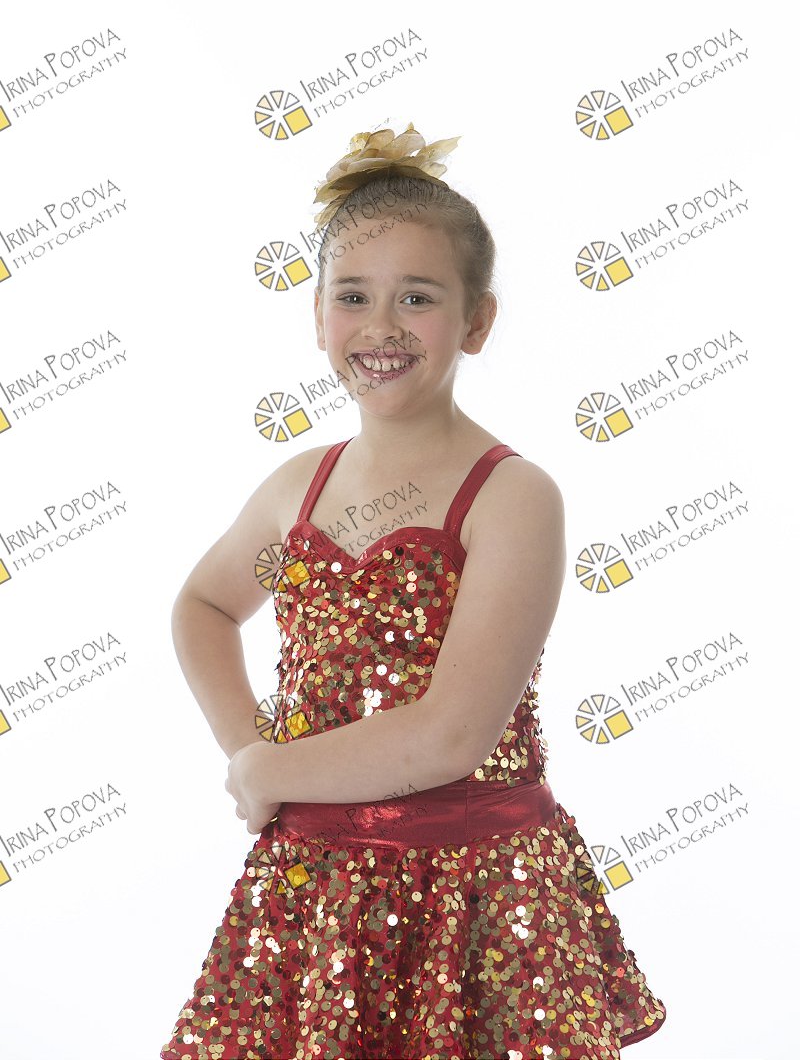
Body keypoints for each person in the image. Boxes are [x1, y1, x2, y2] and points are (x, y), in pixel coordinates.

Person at [159, 123, 667, 1060]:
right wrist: (248, 750)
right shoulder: (295, 491)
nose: (382, 326)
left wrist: (269, 774)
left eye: (418, 298)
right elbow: (205, 607)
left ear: (477, 321)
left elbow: (449, 737)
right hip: (314, 889)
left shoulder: (510, 497)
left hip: (476, 897)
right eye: (353, 296)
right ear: (318, 315)